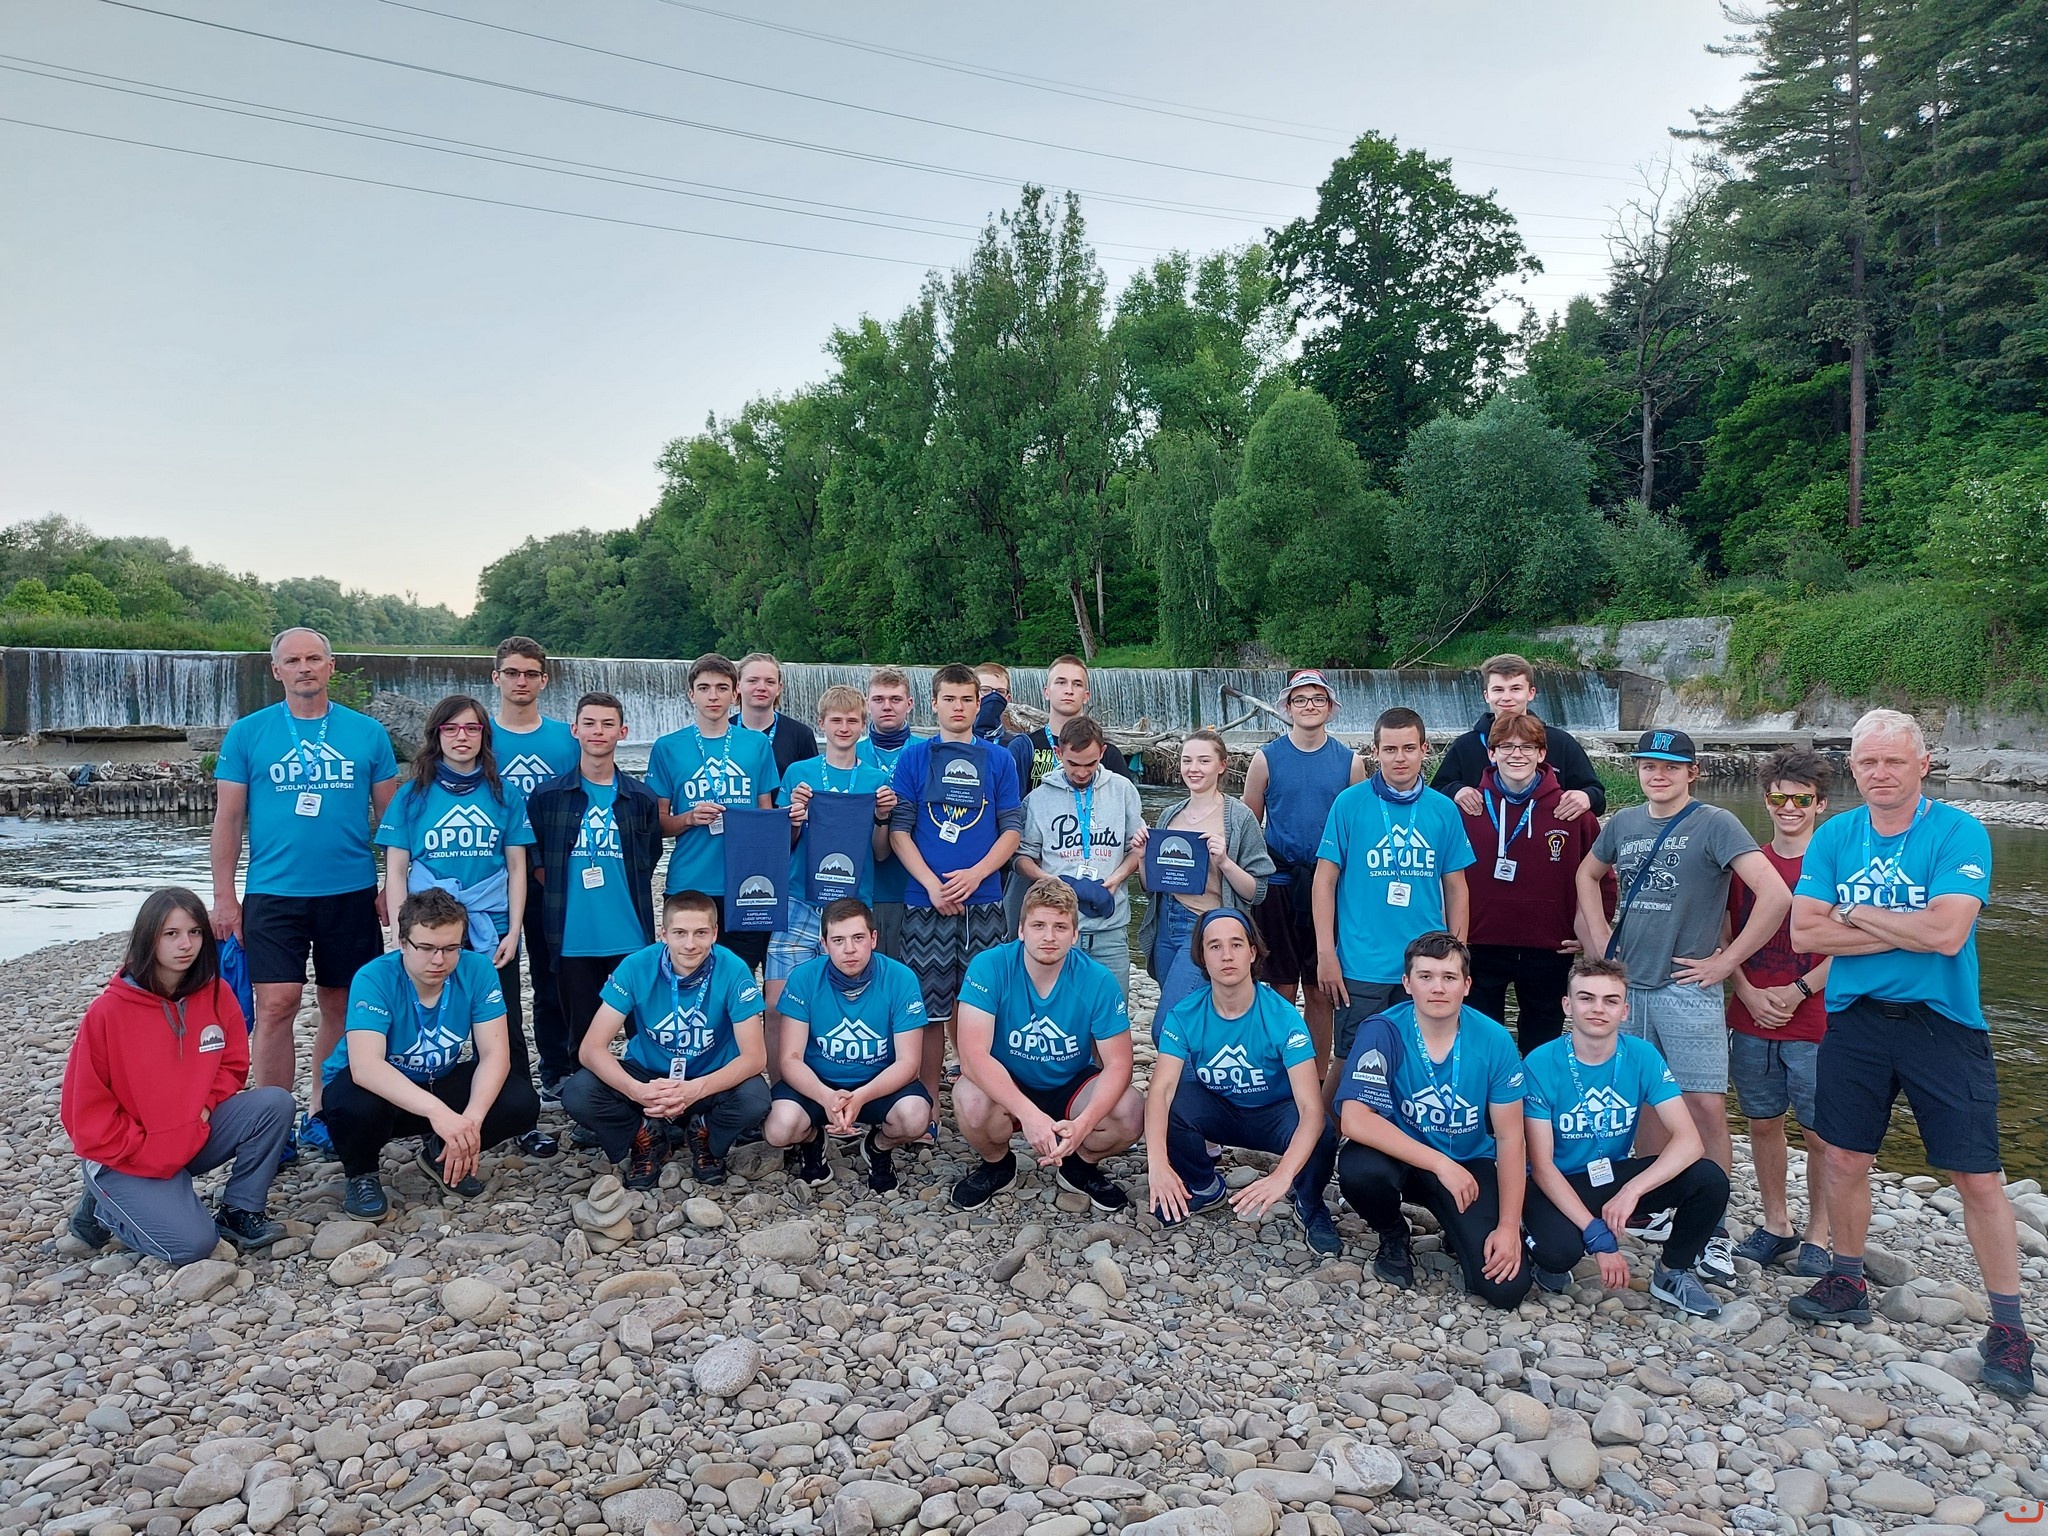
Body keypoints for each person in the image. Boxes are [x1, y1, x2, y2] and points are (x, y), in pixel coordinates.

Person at [1785, 708, 2034, 1399]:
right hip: (1856, 1020)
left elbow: (1948, 935)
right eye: (1868, 761)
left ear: (1923, 764)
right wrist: (1907, 926)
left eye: (1894, 760)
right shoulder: (1835, 835)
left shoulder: (1958, 831)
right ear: (1853, 767)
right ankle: (1847, 1279)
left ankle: (2009, 1326)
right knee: (1843, 1157)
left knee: (1976, 1176)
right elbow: (1805, 933)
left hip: (1942, 1022)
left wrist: (1851, 912)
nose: (1881, 773)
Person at [1575, 728, 1788, 1285]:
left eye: (1670, 766)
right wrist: (1600, 941)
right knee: (1643, 1100)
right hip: (1628, 987)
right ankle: (1656, 1204)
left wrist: (1726, 962)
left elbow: (1776, 895)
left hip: (1686, 988)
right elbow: (1586, 874)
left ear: (1692, 772)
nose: (1658, 774)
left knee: (1704, 1105)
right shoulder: (1623, 823)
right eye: (1649, 765)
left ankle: (1710, 1227)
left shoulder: (1716, 823)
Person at [210, 627, 398, 1152]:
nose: (304, 667)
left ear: (330, 666)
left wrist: (393, 884)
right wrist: (224, 897)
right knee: (276, 1005)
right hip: (274, 893)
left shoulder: (367, 734)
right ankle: (272, 1126)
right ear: (277, 671)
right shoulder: (248, 733)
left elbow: (392, 820)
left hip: (350, 892)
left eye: (314, 658)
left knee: (341, 1003)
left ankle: (322, 1109)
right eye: (292, 660)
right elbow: (228, 820)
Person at [61, 887, 293, 1264]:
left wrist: (206, 1106)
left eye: (195, 932)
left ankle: (240, 1210)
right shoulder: (107, 1013)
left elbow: (232, 1065)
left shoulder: (217, 993)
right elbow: (85, 1114)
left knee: (274, 1104)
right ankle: (103, 1209)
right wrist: (147, 1150)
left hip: (190, 1134)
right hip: (128, 1153)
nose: (186, 944)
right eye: (171, 933)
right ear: (148, 939)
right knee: (193, 1246)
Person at [376, 694, 552, 1156]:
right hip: (429, 931)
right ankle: (423, 1110)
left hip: (490, 928)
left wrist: (514, 930)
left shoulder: (503, 794)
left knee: (504, 1020)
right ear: (436, 735)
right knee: (427, 1018)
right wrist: (401, 936)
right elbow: (397, 869)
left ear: (483, 736)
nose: (461, 737)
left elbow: (516, 868)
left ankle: (519, 1119)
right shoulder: (412, 796)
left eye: (471, 728)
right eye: (451, 729)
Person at [1522, 956, 1731, 1318]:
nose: (1598, 1009)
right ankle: (1537, 1238)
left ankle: (1672, 1272)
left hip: (1608, 1176)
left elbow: (1689, 1141)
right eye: (1586, 998)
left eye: (1610, 1000)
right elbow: (1541, 1167)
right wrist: (1597, 1236)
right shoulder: (1540, 1063)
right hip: (1554, 1183)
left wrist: (1632, 1191)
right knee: (1558, 1254)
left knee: (1708, 1178)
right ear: (1567, 1005)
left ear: (1624, 1010)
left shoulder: (1641, 1055)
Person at [1333, 932, 1531, 1308]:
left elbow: (1510, 1138)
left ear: (1466, 985)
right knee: (1360, 1169)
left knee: (1506, 1290)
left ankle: (1458, 1233)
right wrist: (1440, 1163)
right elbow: (1354, 1121)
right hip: (1403, 1158)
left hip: (1468, 1165)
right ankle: (1394, 1234)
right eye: (1425, 976)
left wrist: (1508, 1226)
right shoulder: (1382, 1030)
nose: (1437, 988)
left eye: (1449, 977)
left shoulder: (1494, 1039)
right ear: (1407, 983)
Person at [318, 888, 539, 1220]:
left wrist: (471, 1122)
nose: (439, 960)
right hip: (378, 1092)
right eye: (426, 948)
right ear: (403, 942)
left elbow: (495, 1054)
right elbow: (366, 1067)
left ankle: (441, 1153)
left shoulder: (478, 969)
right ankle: (362, 1173)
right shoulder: (374, 977)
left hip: (437, 1079)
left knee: (520, 1100)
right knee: (354, 1102)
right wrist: (439, 1112)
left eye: (451, 948)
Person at [1144, 908, 1340, 1254]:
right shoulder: (1184, 1014)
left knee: (1322, 1129)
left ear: (1252, 952)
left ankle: (1309, 1202)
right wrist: (1157, 1164)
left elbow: (1310, 1107)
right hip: (1220, 1110)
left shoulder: (1282, 1017)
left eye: (1236, 944)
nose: (1226, 955)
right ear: (1202, 956)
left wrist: (1281, 1175)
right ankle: (1203, 1186)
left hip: (1275, 1115)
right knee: (1174, 1103)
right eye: (1215, 946)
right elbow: (1160, 1091)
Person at [950, 879, 1144, 1213]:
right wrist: (1029, 1115)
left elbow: (1119, 1064)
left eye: (1060, 927)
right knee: (969, 1097)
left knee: (1130, 1110)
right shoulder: (990, 966)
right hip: (1009, 1079)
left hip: (1070, 1082)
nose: (1049, 937)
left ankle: (1079, 1166)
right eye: (1038, 925)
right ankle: (998, 1165)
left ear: (1075, 934)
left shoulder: (1097, 979)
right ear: (1021, 930)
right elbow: (972, 1056)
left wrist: (1083, 1125)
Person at [560, 891, 771, 1189]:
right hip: (649, 1076)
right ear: (663, 934)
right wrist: (637, 1091)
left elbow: (754, 1058)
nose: (690, 944)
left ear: (714, 934)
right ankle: (645, 1134)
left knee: (755, 1098)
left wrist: (696, 1089)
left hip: (709, 1076)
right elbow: (591, 1049)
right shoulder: (636, 966)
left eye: (700, 933)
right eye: (680, 933)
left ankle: (704, 1132)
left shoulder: (734, 969)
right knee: (578, 1091)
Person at [1314, 708, 1474, 1083]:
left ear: (1424, 749)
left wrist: (1458, 955)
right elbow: (1324, 881)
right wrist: (1326, 954)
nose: (1399, 758)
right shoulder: (1349, 804)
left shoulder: (1444, 810)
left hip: (1426, 964)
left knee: (1419, 1061)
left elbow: (1457, 887)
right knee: (1351, 1061)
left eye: (1408, 748)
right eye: (1389, 749)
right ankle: (1323, 1122)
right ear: (1375, 752)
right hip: (1361, 964)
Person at [889, 663, 1025, 1103]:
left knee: (983, 1006)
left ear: (979, 703)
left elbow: (1012, 830)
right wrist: (931, 884)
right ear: (934, 703)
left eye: (967, 699)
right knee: (928, 1011)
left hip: (983, 901)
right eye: (949, 699)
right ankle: (929, 1102)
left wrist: (977, 873)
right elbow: (899, 831)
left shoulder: (999, 760)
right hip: (924, 901)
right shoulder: (914, 757)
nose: (958, 707)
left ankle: (985, 1097)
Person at [1726, 749, 1836, 1275]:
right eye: (1778, 798)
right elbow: (1726, 937)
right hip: (1751, 1015)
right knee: (1763, 1122)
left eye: (1801, 800)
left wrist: (1799, 990)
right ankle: (1776, 1225)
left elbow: (1853, 943)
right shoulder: (1746, 865)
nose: (1789, 808)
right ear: (1766, 800)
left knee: (1820, 1134)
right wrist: (1746, 991)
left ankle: (1819, 1234)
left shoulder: (1836, 863)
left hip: (1817, 1020)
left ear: (1821, 804)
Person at [528, 693, 663, 1063]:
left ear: (623, 732)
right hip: (572, 938)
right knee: (582, 1038)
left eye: (607, 724)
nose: (597, 731)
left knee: (642, 1035)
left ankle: (644, 1094)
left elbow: (649, 857)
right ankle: (586, 1095)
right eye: (589, 723)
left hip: (630, 936)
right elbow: (535, 857)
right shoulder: (548, 796)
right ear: (575, 729)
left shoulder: (641, 798)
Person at [766, 686, 897, 1069]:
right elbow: (782, 845)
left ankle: (837, 1083)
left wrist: (883, 817)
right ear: (821, 723)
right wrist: (793, 816)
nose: (844, 727)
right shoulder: (799, 773)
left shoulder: (875, 779)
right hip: (798, 900)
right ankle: (781, 1089)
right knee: (777, 1004)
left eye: (852, 720)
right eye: (836, 720)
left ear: (863, 725)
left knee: (839, 1003)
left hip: (851, 907)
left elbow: (880, 852)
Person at [1242, 669, 1364, 1076]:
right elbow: (1248, 827)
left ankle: (1315, 1076)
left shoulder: (1350, 763)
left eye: (1317, 699)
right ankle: (1277, 1073)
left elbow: (1356, 834)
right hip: (1278, 885)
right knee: (1279, 986)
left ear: (1330, 707)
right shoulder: (1265, 759)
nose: (1309, 706)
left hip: (1328, 887)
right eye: (1300, 699)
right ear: (1288, 708)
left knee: (1320, 989)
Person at [1457, 713, 1603, 1053]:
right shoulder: (1467, 808)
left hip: (1549, 947)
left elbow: (1601, 878)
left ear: (1542, 754)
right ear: (1491, 754)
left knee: (1542, 1045)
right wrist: (1454, 935)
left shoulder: (1572, 810)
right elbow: (1444, 876)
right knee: (1481, 1043)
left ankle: (1537, 1090)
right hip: (1480, 944)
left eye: (1527, 747)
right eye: (1506, 747)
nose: (1516, 755)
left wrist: (1589, 932)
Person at [763, 899, 932, 1194]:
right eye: (838, 940)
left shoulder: (901, 978)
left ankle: (878, 1146)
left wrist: (862, 1096)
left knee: (915, 1117)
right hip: (818, 1084)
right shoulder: (803, 977)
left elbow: (908, 1063)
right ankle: (813, 1139)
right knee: (779, 1130)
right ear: (824, 944)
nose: (849, 949)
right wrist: (826, 1097)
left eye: (858, 938)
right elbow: (790, 1058)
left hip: (878, 1083)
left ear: (874, 939)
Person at [490, 637, 581, 1105]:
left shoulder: (566, 738)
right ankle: (505, 1075)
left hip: (552, 876)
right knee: (497, 979)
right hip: (492, 878)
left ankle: (557, 1068)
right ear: (496, 678)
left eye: (529, 673)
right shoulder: (480, 735)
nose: (520, 681)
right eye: (512, 672)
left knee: (552, 975)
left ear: (544, 680)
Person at [647, 653, 781, 971]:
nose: (713, 696)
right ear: (691, 694)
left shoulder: (757, 744)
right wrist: (690, 818)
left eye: (721, 688)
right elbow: (657, 824)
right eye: (704, 688)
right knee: (688, 971)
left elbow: (766, 815)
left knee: (741, 975)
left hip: (747, 883)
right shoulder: (667, 747)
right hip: (690, 880)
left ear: (735, 694)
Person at [1137, 729, 1274, 1022]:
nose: (1193, 768)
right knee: (1190, 1020)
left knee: (1167, 1024)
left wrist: (1224, 861)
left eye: (1203, 761)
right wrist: (1141, 856)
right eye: (1187, 761)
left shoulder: (1239, 817)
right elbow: (1151, 887)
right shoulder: (1169, 814)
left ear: (1222, 765)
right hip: (1166, 923)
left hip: (1205, 927)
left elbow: (1258, 891)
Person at [1016, 716, 1147, 997]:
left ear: (1103, 752)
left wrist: (1118, 877)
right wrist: (1047, 879)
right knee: (1058, 1010)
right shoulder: (1037, 799)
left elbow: (1136, 849)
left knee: (1113, 1011)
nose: (1082, 772)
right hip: (1058, 929)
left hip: (1111, 930)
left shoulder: (1124, 790)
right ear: (1058, 753)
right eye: (1073, 764)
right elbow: (1022, 859)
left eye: (1091, 764)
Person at [1431, 653, 1605, 818]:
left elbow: (1597, 796)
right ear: (1486, 695)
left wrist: (1587, 797)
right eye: (1498, 689)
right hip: (1483, 836)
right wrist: (1456, 791)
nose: (1506, 697)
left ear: (1531, 693)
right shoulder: (1466, 745)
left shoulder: (1561, 742)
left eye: (1515, 689)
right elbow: (1435, 793)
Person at [857, 667, 917, 962]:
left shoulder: (927, 751)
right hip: (863, 885)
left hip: (914, 885)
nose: (887, 706)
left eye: (895, 699)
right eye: (878, 699)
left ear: (910, 704)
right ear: (867, 704)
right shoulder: (849, 753)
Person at [1019, 655, 1136, 786]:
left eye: (1077, 684)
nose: (1069, 691)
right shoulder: (1025, 747)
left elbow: (1126, 795)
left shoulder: (1107, 754)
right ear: (1046, 692)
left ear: (1086, 696)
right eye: (1061, 682)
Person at [738, 652, 822, 779]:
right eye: (753, 681)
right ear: (738, 686)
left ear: (779, 688)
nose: (761, 687)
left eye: (770, 682)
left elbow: (813, 782)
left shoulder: (801, 735)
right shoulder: (722, 732)